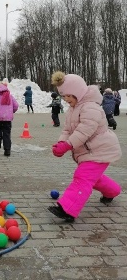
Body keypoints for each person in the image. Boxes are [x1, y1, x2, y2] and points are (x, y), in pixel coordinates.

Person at [48, 71, 122, 223]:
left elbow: (85, 130)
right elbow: (67, 130)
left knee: (82, 177)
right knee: (94, 178)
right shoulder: (73, 109)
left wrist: (68, 145)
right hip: (90, 152)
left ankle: (68, 209)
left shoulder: (90, 107)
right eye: (63, 96)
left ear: (78, 92)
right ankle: (113, 191)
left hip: (100, 150)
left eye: (69, 95)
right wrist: (62, 142)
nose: (66, 99)